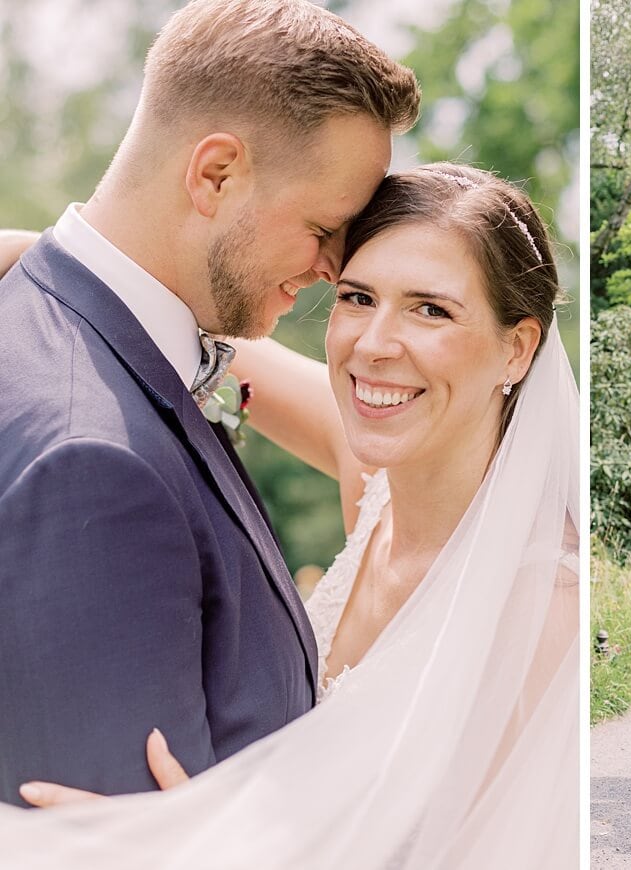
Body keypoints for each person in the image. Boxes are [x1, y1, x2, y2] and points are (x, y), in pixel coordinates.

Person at [0, 164, 580, 867]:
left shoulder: (541, 613)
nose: (373, 345)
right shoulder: (374, 480)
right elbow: (152, 313)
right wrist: (42, 257)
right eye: (358, 297)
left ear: (516, 348)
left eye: (432, 309)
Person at [0, 0, 420, 807]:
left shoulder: (55, 322)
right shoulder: (93, 461)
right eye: (324, 227)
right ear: (215, 173)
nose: (335, 270)